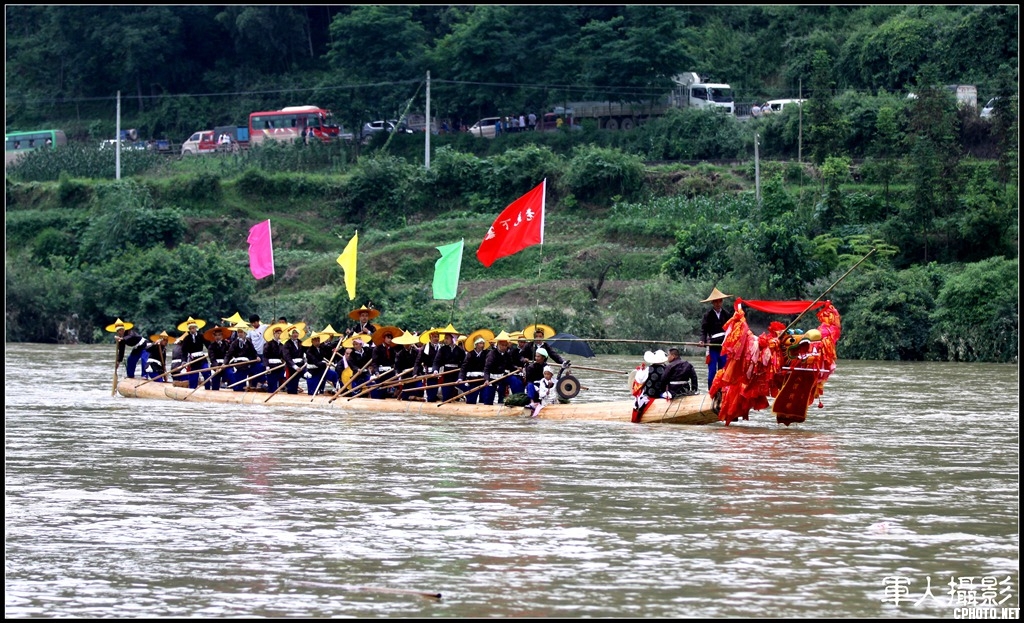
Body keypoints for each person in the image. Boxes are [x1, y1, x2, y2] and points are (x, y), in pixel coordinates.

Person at [700, 287, 735, 390]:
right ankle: (711, 391)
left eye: (719, 301)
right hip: (713, 346)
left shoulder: (727, 314)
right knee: (712, 372)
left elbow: (731, 328)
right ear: (712, 303)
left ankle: (722, 391)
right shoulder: (708, 315)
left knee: (723, 371)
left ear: (722, 302)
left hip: (724, 346)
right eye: (715, 302)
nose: (718, 304)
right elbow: (704, 330)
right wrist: (702, 340)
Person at [481, 331, 520, 405]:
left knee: (515, 380)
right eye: (502, 345)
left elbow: (510, 366)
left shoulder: (507, 354)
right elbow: (486, 369)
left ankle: (517, 400)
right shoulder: (491, 354)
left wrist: (517, 368)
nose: (504, 347)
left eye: (505, 345)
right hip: (491, 379)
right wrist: (486, 379)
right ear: (498, 344)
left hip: (502, 378)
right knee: (488, 400)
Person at [225, 323, 261, 391]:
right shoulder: (235, 343)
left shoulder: (248, 342)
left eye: (241, 332)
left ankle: (253, 385)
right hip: (239, 365)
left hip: (247, 364)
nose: (240, 334)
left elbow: (253, 352)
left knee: (259, 367)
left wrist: (257, 357)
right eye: (238, 332)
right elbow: (229, 354)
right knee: (239, 386)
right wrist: (225, 363)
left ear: (245, 333)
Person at [433, 328, 465, 403]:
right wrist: (435, 370)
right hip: (446, 374)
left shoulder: (460, 351)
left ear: (453, 339)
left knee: (467, 388)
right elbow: (437, 361)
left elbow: (464, 364)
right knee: (446, 395)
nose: (445, 340)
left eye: (447, 338)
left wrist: (461, 376)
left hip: (457, 374)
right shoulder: (442, 349)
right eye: (445, 338)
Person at [177, 317, 209, 390]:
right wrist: (184, 361)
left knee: (206, 372)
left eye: (193, 328)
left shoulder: (201, 336)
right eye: (190, 328)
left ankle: (208, 389)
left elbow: (208, 345)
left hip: (202, 358)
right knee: (193, 376)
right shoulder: (186, 338)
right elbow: (184, 351)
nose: (192, 330)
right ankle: (192, 389)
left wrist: (211, 352)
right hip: (193, 360)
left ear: (196, 328)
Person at [523, 348, 555, 417]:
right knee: (529, 385)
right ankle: (532, 403)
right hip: (534, 388)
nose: (536, 358)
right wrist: (537, 389)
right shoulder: (531, 367)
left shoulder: (547, 367)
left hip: (543, 388)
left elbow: (549, 380)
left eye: (538, 356)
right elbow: (529, 381)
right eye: (536, 356)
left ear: (543, 358)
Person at [458, 336, 489, 404]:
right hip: (472, 380)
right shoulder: (470, 354)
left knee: (484, 399)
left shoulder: (486, 353)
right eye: (480, 343)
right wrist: (460, 378)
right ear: (476, 344)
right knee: (471, 400)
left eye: (483, 343)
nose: (482, 345)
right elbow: (464, 367)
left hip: (482, 380)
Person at [282, 324, 307, 395]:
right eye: (293, 333)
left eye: (296, 333)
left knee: (309, 377)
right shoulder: (286, 345)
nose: (295, 334)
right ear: (290, 335)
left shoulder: (301, 342)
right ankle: (292, 394)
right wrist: (295, 366)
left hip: (302, 366)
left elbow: (308, 351)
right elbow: (287, 357)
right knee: (292, 387)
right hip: (292, 368)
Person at [262, 324, 287, 394]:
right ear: (274, 334)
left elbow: (284, 357)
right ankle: (271, 391)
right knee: (272, 384)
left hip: (279, 366)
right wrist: (267, 366)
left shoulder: (282, 345)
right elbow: (265, 356)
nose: (279, 335)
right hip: (271, 366)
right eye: (277, 333)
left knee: (284, 378)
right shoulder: (268, 344)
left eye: (280, 333)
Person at [204, 326, 231, 391]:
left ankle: (234, 390)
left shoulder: (227, 344)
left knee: (231, 375)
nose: (217, 337)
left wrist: (224, 364)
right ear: (214, 336)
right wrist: (216, 366)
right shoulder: (211, 346)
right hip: (215, 367)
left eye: (219, 335)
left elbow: (229, 355)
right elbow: (212, 358)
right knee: (215, 382)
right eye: (216, 335)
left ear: (222, 335)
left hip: (225, 365)